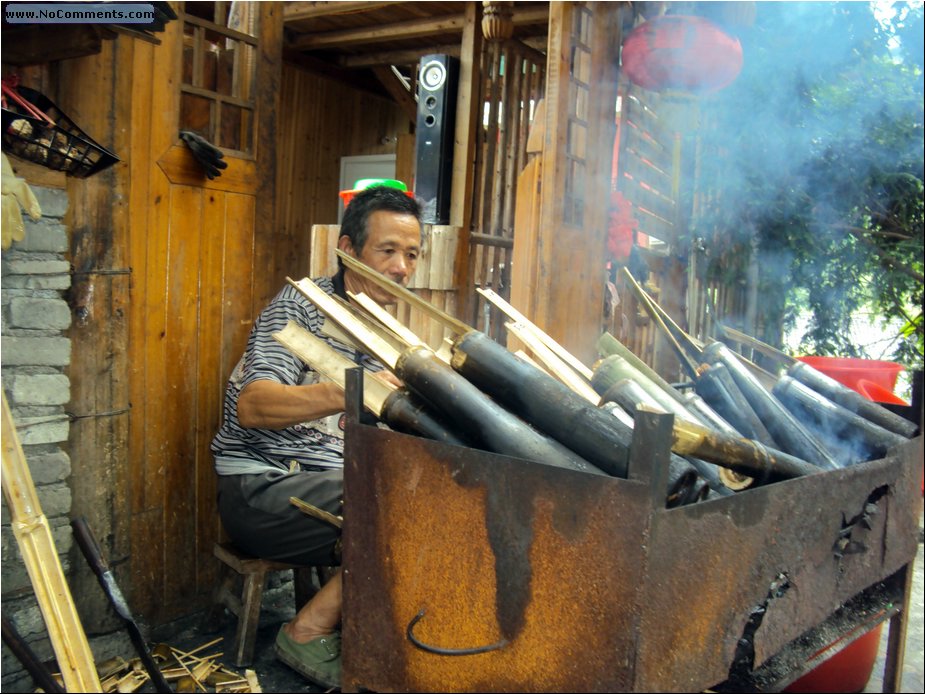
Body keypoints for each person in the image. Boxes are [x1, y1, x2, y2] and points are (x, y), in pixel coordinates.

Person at [210, 185, 423, 689]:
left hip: (326, 485)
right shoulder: (301, 308)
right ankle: (306, 630)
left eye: (411, 255)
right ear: (348, 251)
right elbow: (254, 406)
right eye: (387, 250)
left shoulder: (383, 329)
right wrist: (350, 389)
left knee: (432, 494)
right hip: (262, 490)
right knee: (402, 508)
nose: (401, 268)